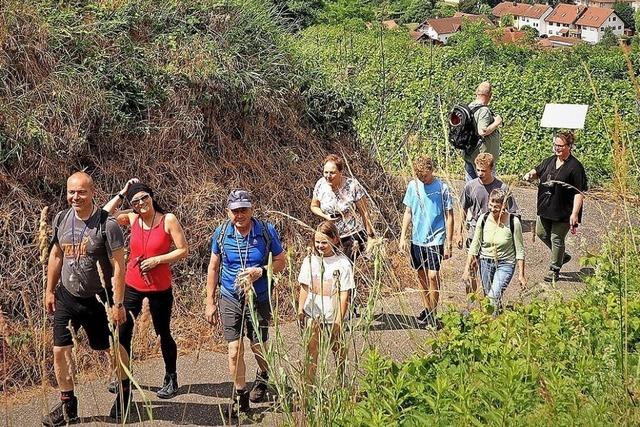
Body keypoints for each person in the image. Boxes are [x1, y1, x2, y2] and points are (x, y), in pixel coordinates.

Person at [43, 172, 129, 426]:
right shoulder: (61, 219)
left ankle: (125, 392)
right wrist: (49, 290)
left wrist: (118, 303)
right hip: (67, 297)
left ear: (92, 193)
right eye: (71, 192)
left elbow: (119, 266)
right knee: (60, 350)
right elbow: (56, 256)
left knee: (110, 348)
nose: (75, 197)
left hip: (99, 300)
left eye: (81, 192)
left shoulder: (107, 224)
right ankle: (68, 405)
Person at [103, 179, 189, 399]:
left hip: (160, 287)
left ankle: (171, 377)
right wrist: (122, 193)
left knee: (163, 333)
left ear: (151, 197)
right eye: (136, 201)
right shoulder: (132, 217)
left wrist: (158, 260)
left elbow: (182, 250)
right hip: (132, 284)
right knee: (122, 332)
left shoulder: (167, 219)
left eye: (144, 197)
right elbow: (104, 215)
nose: (141, 203)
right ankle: (124, 377)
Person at [205, 190, 286, 418]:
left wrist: (261, 271)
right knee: (234, 350)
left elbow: (281, 261)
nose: (239, 215)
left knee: (258, 345)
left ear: (252, 209)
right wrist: (209, 301)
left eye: (244, 210)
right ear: (228, 212)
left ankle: (263, 374)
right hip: (230, 296)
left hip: (259, 297)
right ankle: (240, 397)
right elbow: (213, 267)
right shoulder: (221, 234)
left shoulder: (266, 231)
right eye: (235, 210)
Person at [523, 131, 587, 282]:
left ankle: (554, 269)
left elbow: (579, 193)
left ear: (569, 147)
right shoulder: (550, 160)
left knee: (556, 238)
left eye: (560, 146)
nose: (556, 148)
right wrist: (530, 174)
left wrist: (575, 214)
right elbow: (537, 170)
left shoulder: (575, 167)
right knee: (541, 233)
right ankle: (562, 255)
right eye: (555, 145)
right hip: (545, 207)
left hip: (564, 211)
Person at [399, 156, 454, 329]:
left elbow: (449, 216)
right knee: (421, 276)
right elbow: (408, 212)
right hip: (417, 239)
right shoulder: (412, 186)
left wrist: (449, 242)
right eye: (419, 176)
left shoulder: (442, 188)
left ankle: (433, 311)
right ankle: (428, 308)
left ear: (432, 170)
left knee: (433, 275)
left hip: (435, 238)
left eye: (425, 176)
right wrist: (403, 237)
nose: (422, 179)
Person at [297, 221, 354, 382]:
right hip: (312, 315)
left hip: (332, 316)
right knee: (311, 351)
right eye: (317, 242)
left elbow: (344, 295)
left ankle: (342, 381)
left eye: (324, 242)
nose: (320, 246)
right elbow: (304, 287)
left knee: (338, 349)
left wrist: (339, 321)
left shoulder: (342, 263)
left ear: (335, 239)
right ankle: (309, 385)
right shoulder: (310, 260)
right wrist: (300, 310)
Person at [457, 153, 517, 297]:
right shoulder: (471, 186)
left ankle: (490, 303)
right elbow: (463, 208)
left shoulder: (502, 187)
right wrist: (459, 232)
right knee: (471, 271)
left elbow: (513, 212)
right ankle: (471, 305)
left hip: (494, 236)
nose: (480, 173)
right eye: (478, 170)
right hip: (474, 233)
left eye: (483, 170)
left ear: (491, 168)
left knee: (489, 276)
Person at [463, 189, 526, 311]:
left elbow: (520, 250)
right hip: (486, 261)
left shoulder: (513, 222)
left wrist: (521, 275)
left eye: (496, 207)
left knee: (492, 297)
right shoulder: (483, 218)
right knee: (489, 298)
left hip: (505, 263)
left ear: (504, 206)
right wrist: (466, 269)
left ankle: (493, 319)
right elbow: (475, 245)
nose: (492, 209)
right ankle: (495, 322)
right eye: (490, 205)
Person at [310, 154, 376, 261]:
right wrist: (325, 216)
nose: (328, 176)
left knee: (346, 267)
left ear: (340, 172)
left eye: (332, 173)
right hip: (329, 236)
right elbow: (313, 206)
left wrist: (370, 236)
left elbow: (365, 213)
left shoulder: (352, 186)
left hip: (352, 235)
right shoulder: (321, 184)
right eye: (325, 172)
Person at [463, 81, 503, 181]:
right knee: (486, 188)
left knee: (471, 187)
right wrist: (497, 122)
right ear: (490, 95)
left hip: (469, 154)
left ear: (477, 92)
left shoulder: (470, 107)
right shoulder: (483, 110)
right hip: (482, 159)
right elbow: (482, 131)